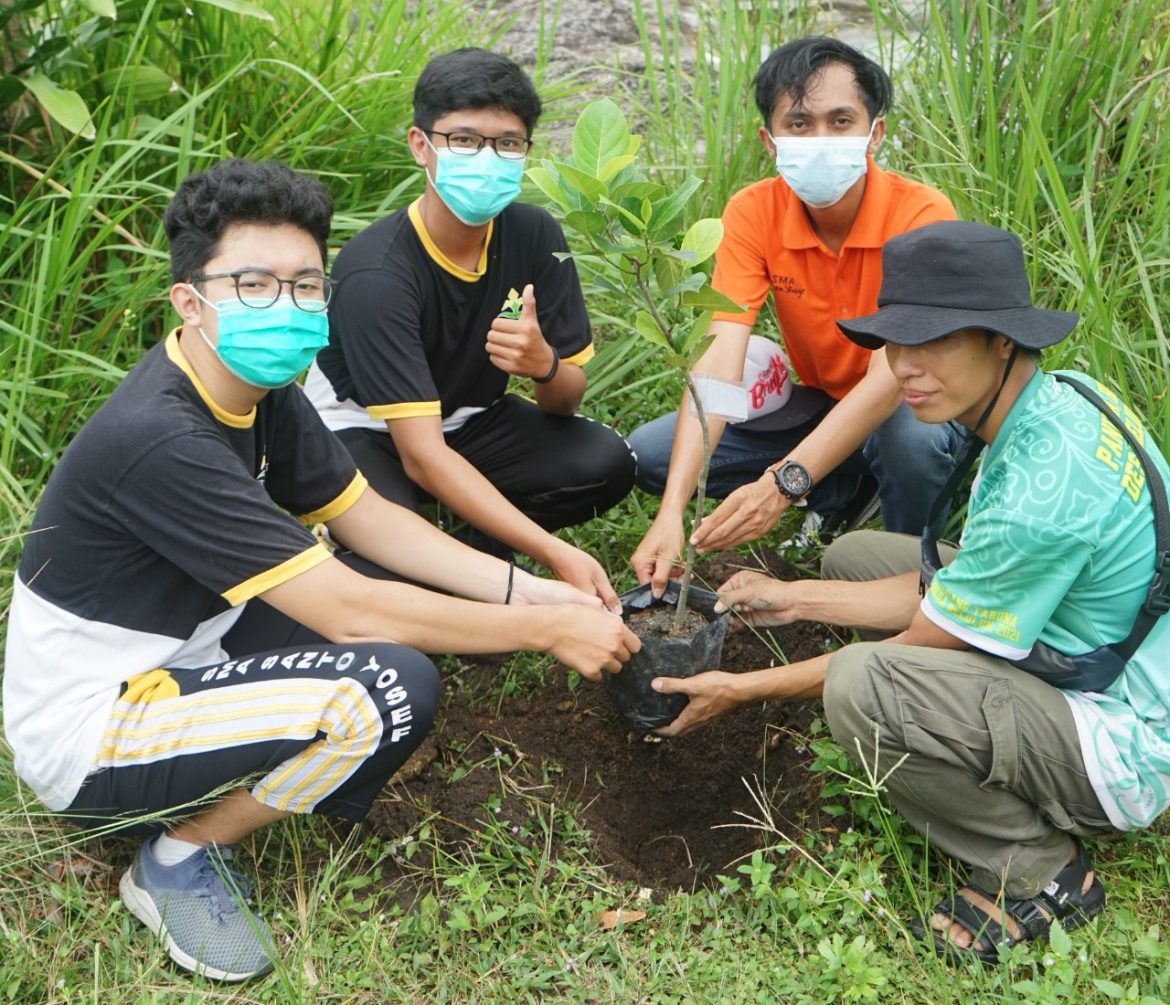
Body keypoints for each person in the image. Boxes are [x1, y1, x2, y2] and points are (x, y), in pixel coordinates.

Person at [2, 159, 639, 983]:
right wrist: (546, 628)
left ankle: (215, 783)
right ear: (190, 302)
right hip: (92, 730)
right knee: (386, 686)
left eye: (307, 284)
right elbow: (348, 612)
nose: (289, 305)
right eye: (256, 283)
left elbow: (371, 518)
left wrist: (544, 583)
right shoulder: (160, 435)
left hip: (189, 652)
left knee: (375, 592)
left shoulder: (262, 390)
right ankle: (177, 855)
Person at [651, 221, 1170, 963]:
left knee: (863, 687)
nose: (905, 366)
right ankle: (942, 739)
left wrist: (744, 685)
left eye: (936, 341)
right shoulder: (1059, 398)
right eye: (896, 341)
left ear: (1001, 340)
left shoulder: (1044, 488)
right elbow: (947, 593)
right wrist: (793, 598)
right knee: (854, 558)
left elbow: (925, 637)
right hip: (1093, 645)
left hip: (1126, 738)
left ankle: (1043, 868)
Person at [305, 48, 635, 611]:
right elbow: (422, 455)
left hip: (468, 418)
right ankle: (435, 551)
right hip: (366, 427)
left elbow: (565, 400)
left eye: (507, 143)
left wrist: (544, 366)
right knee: (393, 571)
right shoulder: (376, 273)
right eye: (463, 139)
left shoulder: (533, 233)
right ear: (421, 146)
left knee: (607, 464)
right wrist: (555, 553)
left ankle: (468, 546)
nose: (487, 157)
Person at [629, 35, 960, 597]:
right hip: (823, 401)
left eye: (841, 121)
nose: (822, 140)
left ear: (874, 133)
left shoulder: (921, 213)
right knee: (655, 455)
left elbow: (893, 374)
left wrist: (783, 483)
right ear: (770, 140)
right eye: (800, 124)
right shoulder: (754, 212)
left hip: (912, 402)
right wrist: (671, 514)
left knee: (912, 442)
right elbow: (721, 357)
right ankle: (843, 490)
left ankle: (912, 568)